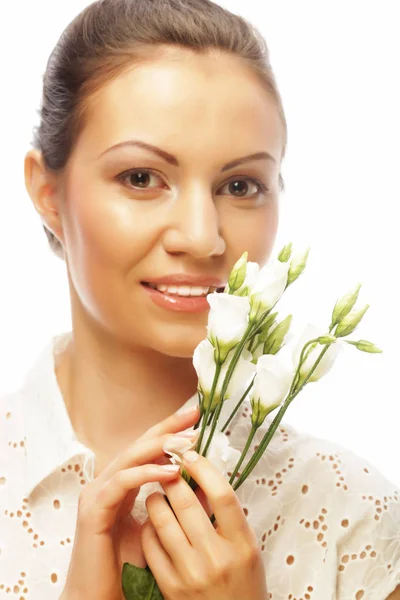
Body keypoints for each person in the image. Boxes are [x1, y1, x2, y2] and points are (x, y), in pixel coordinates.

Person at [0, 0, 399, 598]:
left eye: (240, 185)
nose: (202, 236)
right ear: (48, 193)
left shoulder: (353, 515)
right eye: (141, 178)